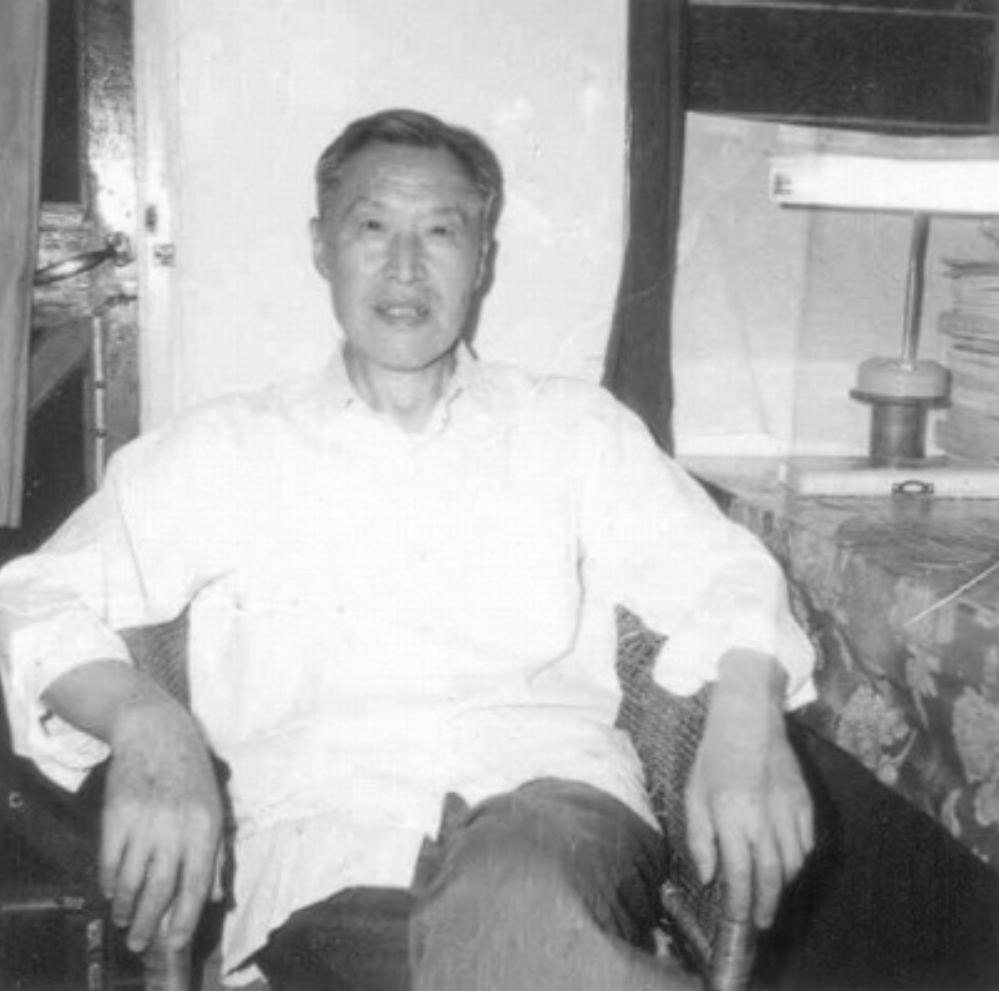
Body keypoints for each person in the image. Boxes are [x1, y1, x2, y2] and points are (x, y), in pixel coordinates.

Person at [0, 109, 815, 991]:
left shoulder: (572, 430)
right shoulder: (226, 449)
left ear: (482, 258)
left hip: (551, 823)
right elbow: (33, 597)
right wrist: (144, 718)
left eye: (440, 232)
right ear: (321, 246)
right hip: (323, 858)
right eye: (372, 227)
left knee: (513, 899)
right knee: (434, 951)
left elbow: (724, 571)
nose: (404, 268)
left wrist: (746, 704)